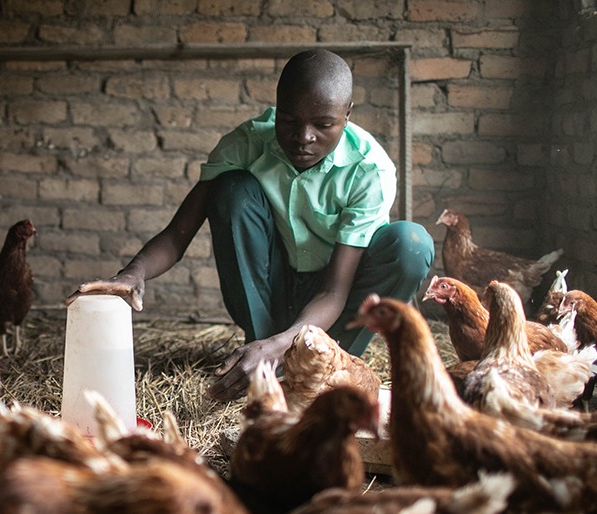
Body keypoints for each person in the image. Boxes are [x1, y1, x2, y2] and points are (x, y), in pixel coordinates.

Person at [65, 48, 434, 402]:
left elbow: (334, 292)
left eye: (323, 125)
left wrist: (286, 344)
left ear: (348, 114)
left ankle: (327, 360)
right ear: (277, 107)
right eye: (289, 121)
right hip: (273, 288)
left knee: (411, 243)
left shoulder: (369, 170)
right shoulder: (248, 142)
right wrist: (132, 273)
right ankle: (262, 350)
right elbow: (179, 234)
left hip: (335, 297)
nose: (304, 137)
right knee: (231, 188)